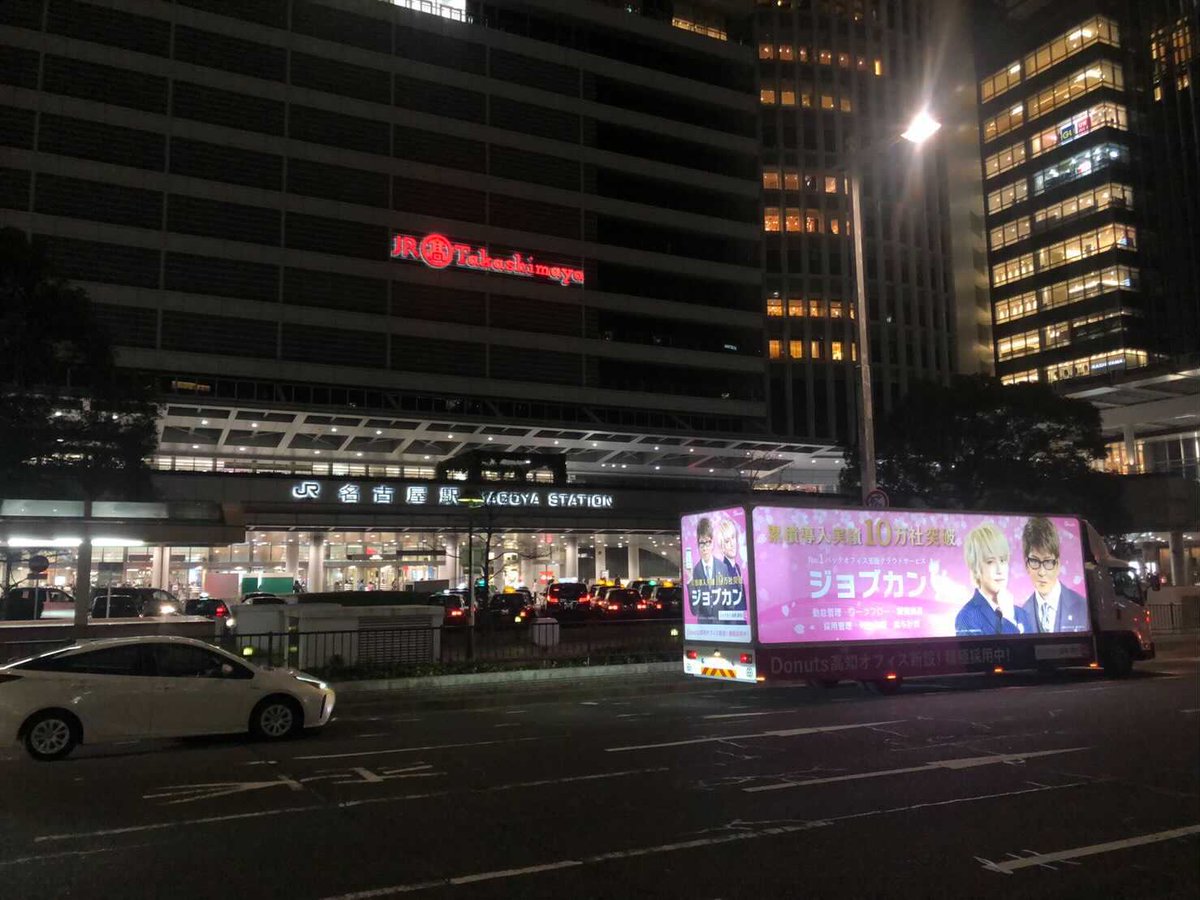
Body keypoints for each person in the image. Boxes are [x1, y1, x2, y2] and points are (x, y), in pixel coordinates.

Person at [954, 522, 1033, 636]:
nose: (1000, 570)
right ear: (976, 568)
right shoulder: (966, 617)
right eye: (990, 562)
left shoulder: (1022, 615)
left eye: (1003, 560)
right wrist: (1008, 619)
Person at [1020, 517, 1089, 633]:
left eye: (1048, 562)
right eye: (1035, 561)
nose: (1042, 572)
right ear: (1027, 565)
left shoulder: (1082, 606)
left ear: (1058, 564)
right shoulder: (1022, 614)